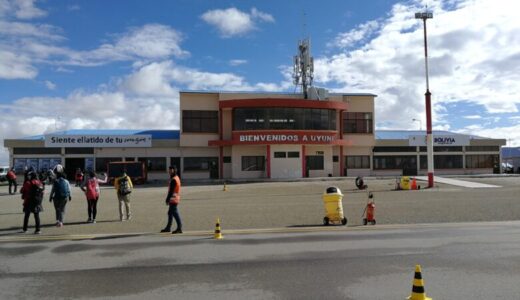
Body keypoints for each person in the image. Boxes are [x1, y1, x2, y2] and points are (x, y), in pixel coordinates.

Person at [161, 166, 182, 234]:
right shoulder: (176, 177)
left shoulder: (174, 179)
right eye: (169, 170)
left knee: (175, 213)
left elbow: (171, 191)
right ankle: (168, 228)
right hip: (175, 198)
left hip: (173, 198)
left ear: (174, 170)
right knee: (170, 213)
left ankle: (179, 227)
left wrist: (167, 199)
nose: (169, 171)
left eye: (171, 170)